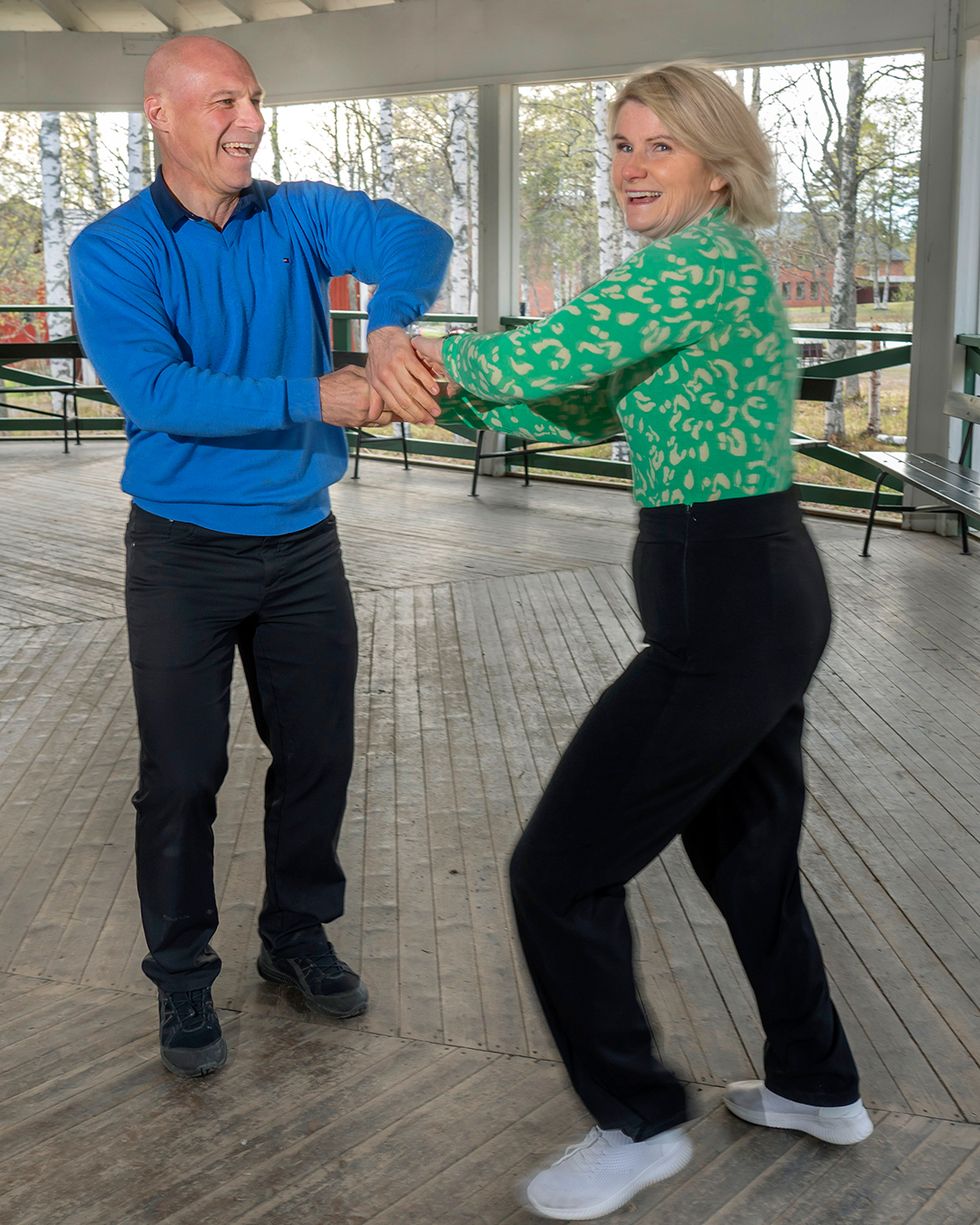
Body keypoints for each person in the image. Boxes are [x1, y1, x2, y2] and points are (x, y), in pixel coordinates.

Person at [414, 62, 872, 1221]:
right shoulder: (691, 281)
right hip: (749, 590)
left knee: (556, 871)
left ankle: (637, 1119)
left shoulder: (693, 266)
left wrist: (408, 361)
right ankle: (818, 1084)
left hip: (725, 605)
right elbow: (568, 401)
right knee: (748, 857)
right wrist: (442, 398)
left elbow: (536, 357)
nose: (627, 168)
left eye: (655, 146)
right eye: (617, 146)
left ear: (716, 168)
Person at [69, 35, 451, 1078]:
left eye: (255, 98)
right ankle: (184, 978)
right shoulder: (111, 249)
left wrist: (387, 326)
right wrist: (313, 394)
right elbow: (156, 392)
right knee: (182, 775)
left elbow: (419, 238)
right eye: (223, 100)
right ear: (159, 114)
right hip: (182, 554)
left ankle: (295, 937)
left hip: (301, 546)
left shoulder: (299, 213)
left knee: (318, 755)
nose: (249, 119)